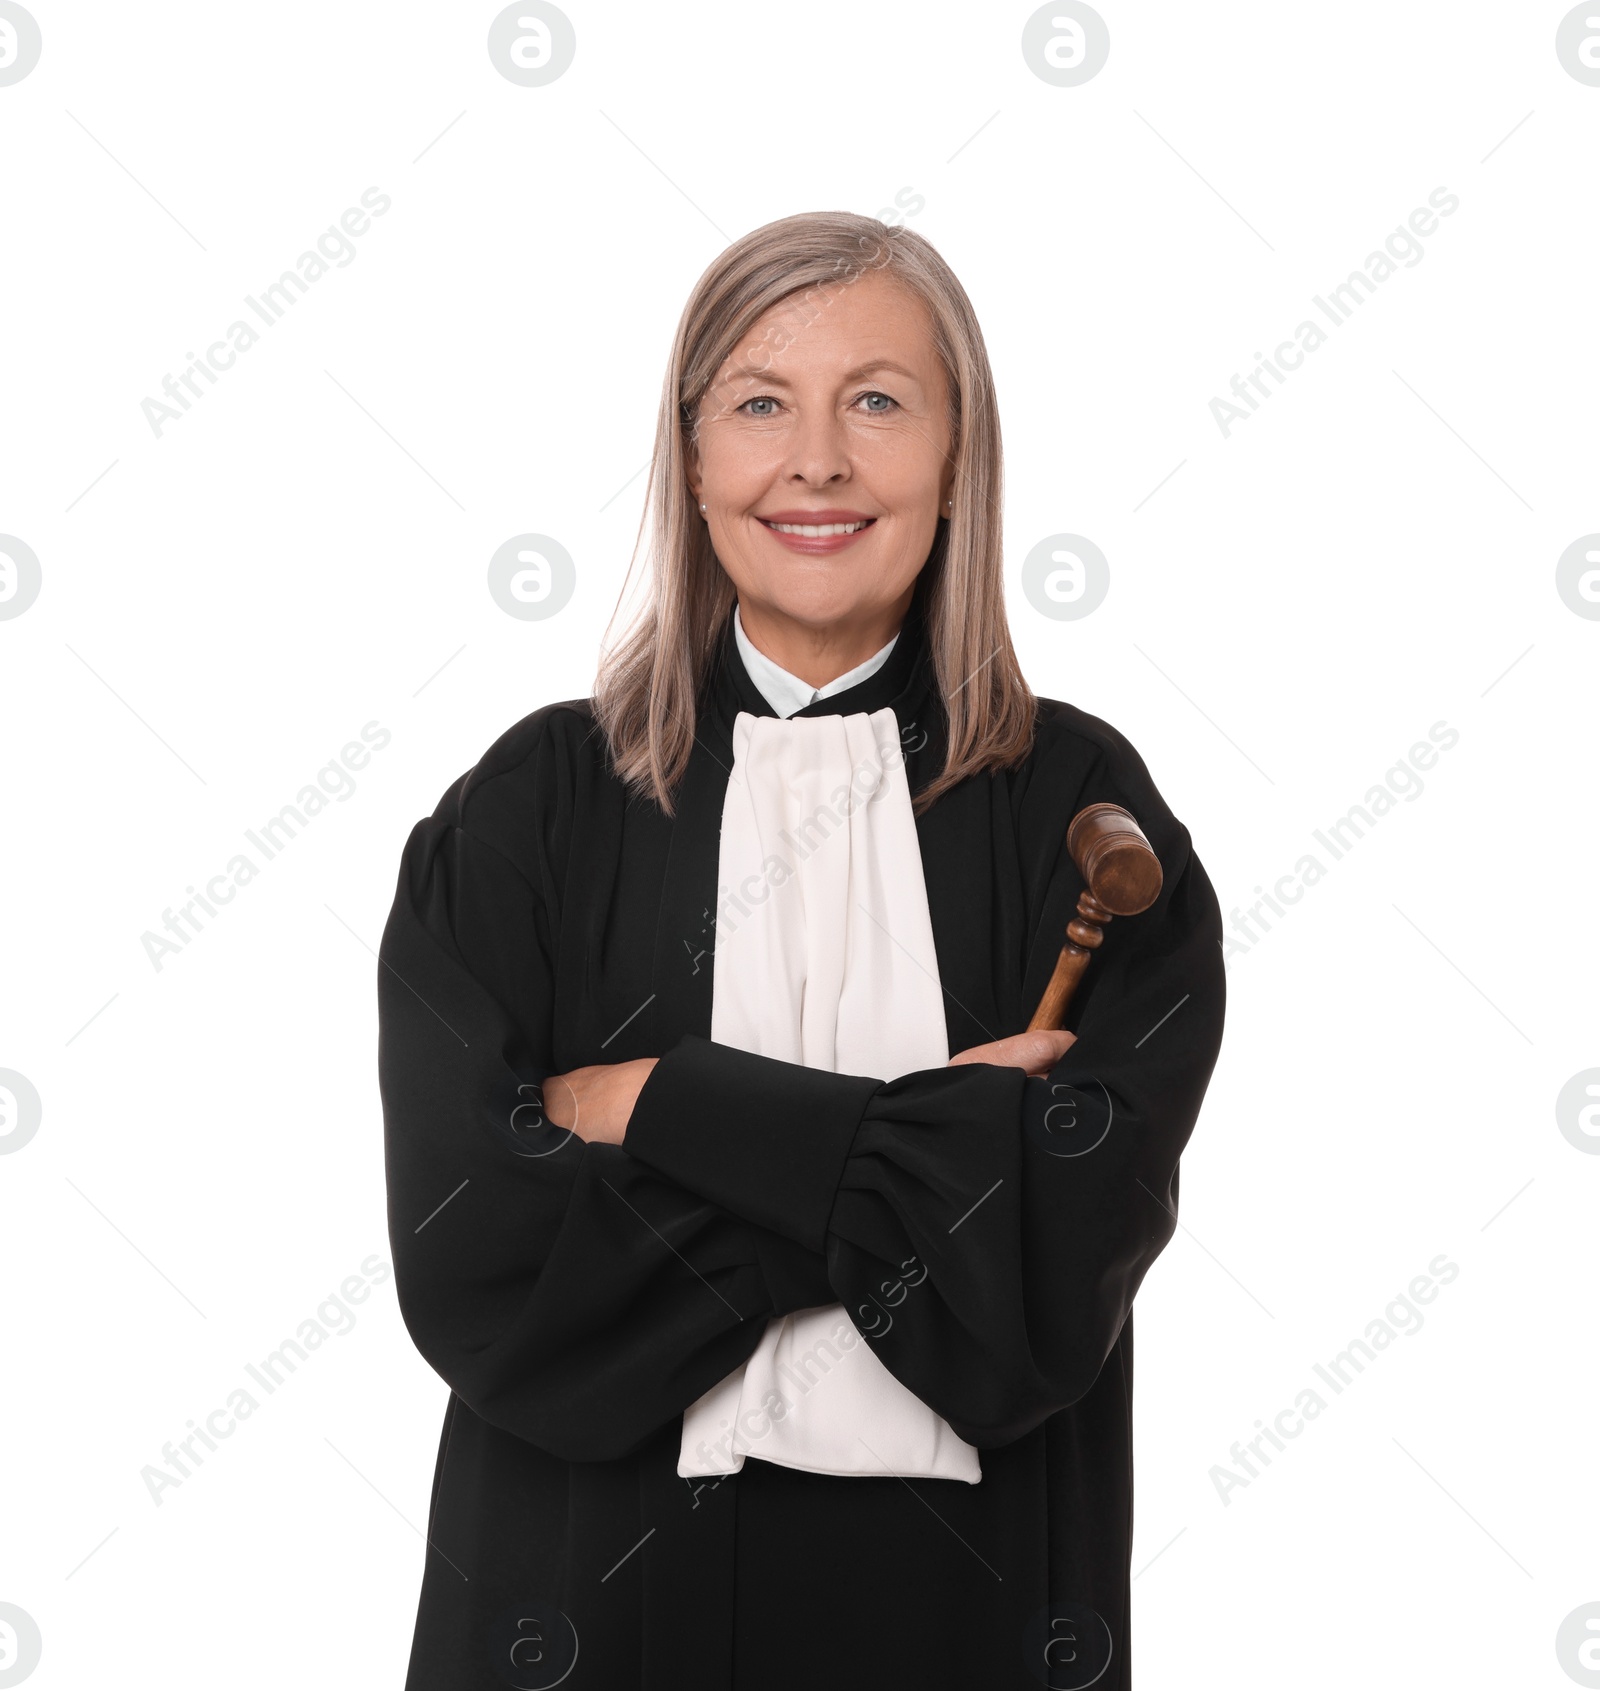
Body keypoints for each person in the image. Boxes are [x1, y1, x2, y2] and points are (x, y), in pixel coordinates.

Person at [377, 210, 1226, 1689]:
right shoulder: (529, 811)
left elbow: (1042, 1290)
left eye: (880, 402)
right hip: (576, 1621)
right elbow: (484, 1273)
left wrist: (651, 1105)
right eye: (761, 404)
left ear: (959, 455)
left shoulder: (1084, 820)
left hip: (971, 1621)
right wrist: (931, 1152)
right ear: (692, 457)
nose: (818, 462)